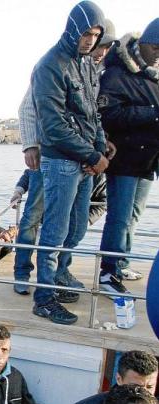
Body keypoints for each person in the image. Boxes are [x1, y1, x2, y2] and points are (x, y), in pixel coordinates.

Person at [31, 1, 109, 325]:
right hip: (61, 162)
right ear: (72, 30)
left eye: (96, 35)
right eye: (86, 33)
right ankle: (44, 298)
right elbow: (53, 126)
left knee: (76, 227)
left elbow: (93, 113)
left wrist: (99, 149)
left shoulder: (87, 64)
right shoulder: (50, 66)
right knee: (54, 232)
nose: (90, 40)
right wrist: (92, 155)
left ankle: (59, 276)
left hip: (84, 161)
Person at [97, 19, 159, 292]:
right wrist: (152, 113)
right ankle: (108, 273)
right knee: (119, 217)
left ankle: (121, 263)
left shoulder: (153, 75)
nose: (158, 55)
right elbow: (108, 114)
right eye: (155, 48)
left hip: (147, 159)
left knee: (133, 215)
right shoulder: (116, 73)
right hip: (123, 159)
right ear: (142, 43)